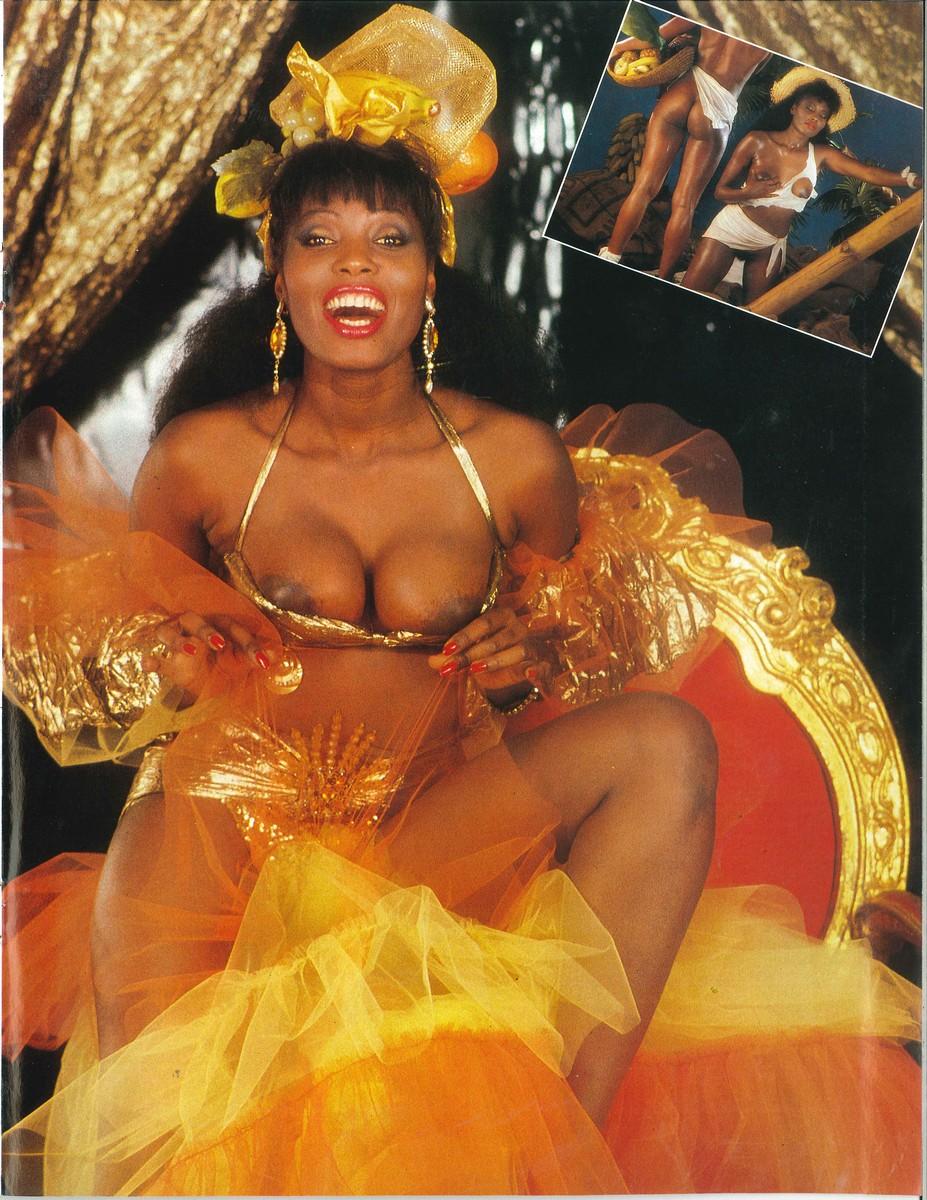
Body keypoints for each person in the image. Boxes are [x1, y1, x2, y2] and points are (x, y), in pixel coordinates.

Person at [1, 10, 920, 1196]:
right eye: (320, 240)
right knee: (179, 1136)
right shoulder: (201, 457)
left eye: (387, 239)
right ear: (280, 272)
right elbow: (116, 664)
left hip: (428, 828)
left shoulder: (513, 461)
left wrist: (527, 659)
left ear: (428, 272)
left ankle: (555, 1152)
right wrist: (172, 659)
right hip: (228, 833)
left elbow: (563, 670)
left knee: (666, 743)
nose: (354, 269)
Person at [682, 67, 923, 303]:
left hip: (770, 245)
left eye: (823, 115)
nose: (815, 118)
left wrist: (909, 180)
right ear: (793, 107)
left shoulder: (821, 155)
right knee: (689, 295)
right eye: (810, 108)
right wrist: (750, 192)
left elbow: (868, 173)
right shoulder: (757, 141)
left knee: (755, 312)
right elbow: (720, 192)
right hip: (732, 228)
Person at [599, 18, 769, 278]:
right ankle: (664, 277)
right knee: (685, 204)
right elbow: (751, 67)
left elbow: (654, 36)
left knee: (643, 188)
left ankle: (611, 255)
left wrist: (618, 47)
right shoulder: (770, 34)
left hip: (680, 95)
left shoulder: (712, 10)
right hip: (716, 111)